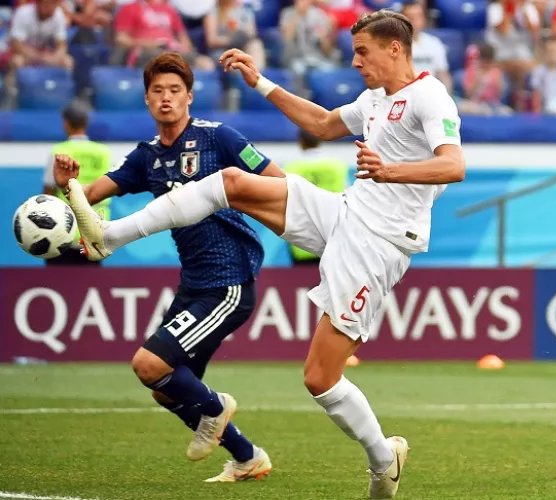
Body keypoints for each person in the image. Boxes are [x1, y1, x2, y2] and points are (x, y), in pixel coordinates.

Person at [64, 10, 465, 499]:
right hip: (344, 213)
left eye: (363, 52)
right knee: (230, 183)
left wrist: (390, 172)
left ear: (395, 48)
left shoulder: (429, 96)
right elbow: (320, 123)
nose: (355, 62)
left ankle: (384, 459)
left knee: (319, 378)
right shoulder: (376, 99)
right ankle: (109, 236)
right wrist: (261, 82)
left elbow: (453, 165)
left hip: (378, 244)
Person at [53, 52, 280, 483]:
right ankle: (248, 458)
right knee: (163, 386)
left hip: (228, 281)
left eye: (175, 90)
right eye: (157, 91)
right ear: (146, 99)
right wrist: (67, 184)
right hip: (193, 284)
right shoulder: (148, 157)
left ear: (189, 97)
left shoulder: (221, 138)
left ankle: (216, 407)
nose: (166, 98)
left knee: (147, 364)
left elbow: (280, 183)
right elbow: (92, 194)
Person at [43, 99, 111, 266]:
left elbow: (47, 194)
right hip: (94, 232)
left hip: (62, 232)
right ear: (86, 123)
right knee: (89, 285)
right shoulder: (103, 153)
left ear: (66, 123)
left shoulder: (58, 151)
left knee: (60, 285)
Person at [284, 130, 348, 266]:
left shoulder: (291, 168)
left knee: (305, 283)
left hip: (301, 239)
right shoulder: (337, 167)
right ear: (320, 139)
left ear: (300, 141)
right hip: (332, 238)